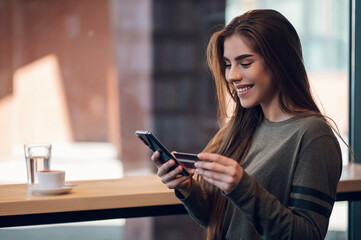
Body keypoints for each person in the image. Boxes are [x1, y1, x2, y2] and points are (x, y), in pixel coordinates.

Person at [151, 9, 343, 240]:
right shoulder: (241, 127)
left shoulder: (312, 136)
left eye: (245, 63)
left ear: (280, 61)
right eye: (228, 64)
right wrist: (187, 188)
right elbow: (224, 220)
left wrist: (242, 187)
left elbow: (307, 235)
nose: (232, 75)